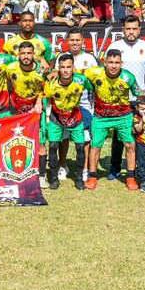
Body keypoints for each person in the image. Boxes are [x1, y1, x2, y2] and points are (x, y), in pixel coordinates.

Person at [104, 16, 145, 181]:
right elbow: (107, 72)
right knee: (118, 134)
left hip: (140, 98)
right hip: (119, 98)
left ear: (139, 29)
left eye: (134, 28)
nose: (131, 32)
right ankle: (115, 168)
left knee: (141, 132)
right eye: (127, 29)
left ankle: (140, 167)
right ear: (122, 29)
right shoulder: (114, 46)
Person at [84, 49, 142, 191]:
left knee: (130, 145)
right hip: (101, 116)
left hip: (123, 115)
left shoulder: (128, 77)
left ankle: (130, 177)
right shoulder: (93, 73)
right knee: (95, 146)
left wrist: (144, 111)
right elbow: (76, 73)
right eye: (110, 62)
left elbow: (139, 93)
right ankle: (92, 176)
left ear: (121, 63)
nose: (114, 66)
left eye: (117, 63)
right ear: (104, 62)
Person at [43, 53, 93, 190]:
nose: (65, 70)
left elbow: (92, 89)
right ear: (58, 68)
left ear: (73, 68)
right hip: (56, 118)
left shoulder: (82, 80)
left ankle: (79, 178)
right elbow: (44, 98)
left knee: (80, 147)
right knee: (53, 146)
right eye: (63, 67)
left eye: (68, 67)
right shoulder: (51, 82)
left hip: (75, 118)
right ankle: (53, 177)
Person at [7, 42, 48, 184]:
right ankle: (16, 171)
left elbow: (45, 89)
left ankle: (42, 176)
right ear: (18, 55)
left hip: (35, 110)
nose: (26, 56)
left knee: (41, 142)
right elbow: (8, 87)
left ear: (33, 54)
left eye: (29, 53)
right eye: (23, 53)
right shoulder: (11, 68)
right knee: (15, 141)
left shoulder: (41, 70)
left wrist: (39, 101)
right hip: (17, 110)